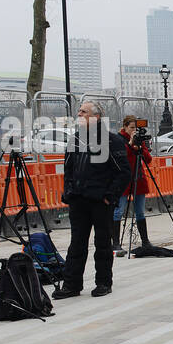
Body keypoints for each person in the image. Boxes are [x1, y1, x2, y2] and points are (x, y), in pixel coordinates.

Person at [56, 101, 128, 299]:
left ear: (96, 117)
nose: (79, 114)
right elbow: (68, 169)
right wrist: (68, 192)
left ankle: (103, 282)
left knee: (102, 242)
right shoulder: (75, 140)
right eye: (79, 110)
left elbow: (123, 173)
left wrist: (109, 197)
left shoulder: (111, 141)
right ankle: (71, 285)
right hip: (78, 200)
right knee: (76, 243)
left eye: (83, 112)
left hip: (100, 201)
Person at [113, 115, 154, 257]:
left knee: (140, 212)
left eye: (135, 128)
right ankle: (116, 243)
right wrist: (130, 145)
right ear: (125, 127)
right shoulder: (118, 140)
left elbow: (148, 159)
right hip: (124, 180)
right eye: (131, 128)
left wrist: (141, 147)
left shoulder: (139, 140)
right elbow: (123, 158)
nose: (133, 131)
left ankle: (145, 241)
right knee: (119, 211)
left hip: (139, 178)